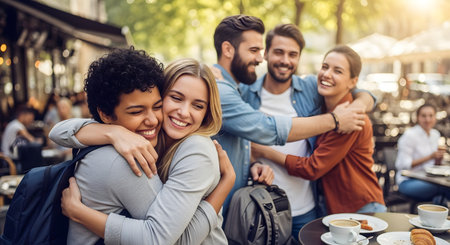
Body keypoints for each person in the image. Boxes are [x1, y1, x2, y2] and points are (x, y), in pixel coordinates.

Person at [49, 50, 234, 244]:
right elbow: (57, 132)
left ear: (207, 112)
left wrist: (225, 184)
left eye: (198, 106)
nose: (183, 112)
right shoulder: (148, 138)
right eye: (176, 98)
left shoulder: (196, 149)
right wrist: (113, 133)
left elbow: (170, 241)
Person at [212, 15, 376, 219]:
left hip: (306, 208)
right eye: (278, 52)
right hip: (261, 210)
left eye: (293, 54)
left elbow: (352, 88)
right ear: (267, 54)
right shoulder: (243, 91)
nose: (285, 61)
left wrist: (359, 105)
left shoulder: (310, 89)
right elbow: (262, 131)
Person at [251, 45, 386, 215]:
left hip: (361, 209)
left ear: (353, 82)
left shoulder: (351, 120)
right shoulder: (323, 107)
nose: (327, 74)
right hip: (335, 207)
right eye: (325, 67)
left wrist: (263, 151)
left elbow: (313, 168)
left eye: (337, 71)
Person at [395, 104, 449, 205]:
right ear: (418, 118)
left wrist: (438, 159)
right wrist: (430, 157)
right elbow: (402, 165)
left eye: (430, 116)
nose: (427, 119)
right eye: (423, 116)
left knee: (442, 191)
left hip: (430, 179)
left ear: (435, 117)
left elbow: (434, 165)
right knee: (443, 189)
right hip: (408, 181)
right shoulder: (409, 135)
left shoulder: (435, 134)